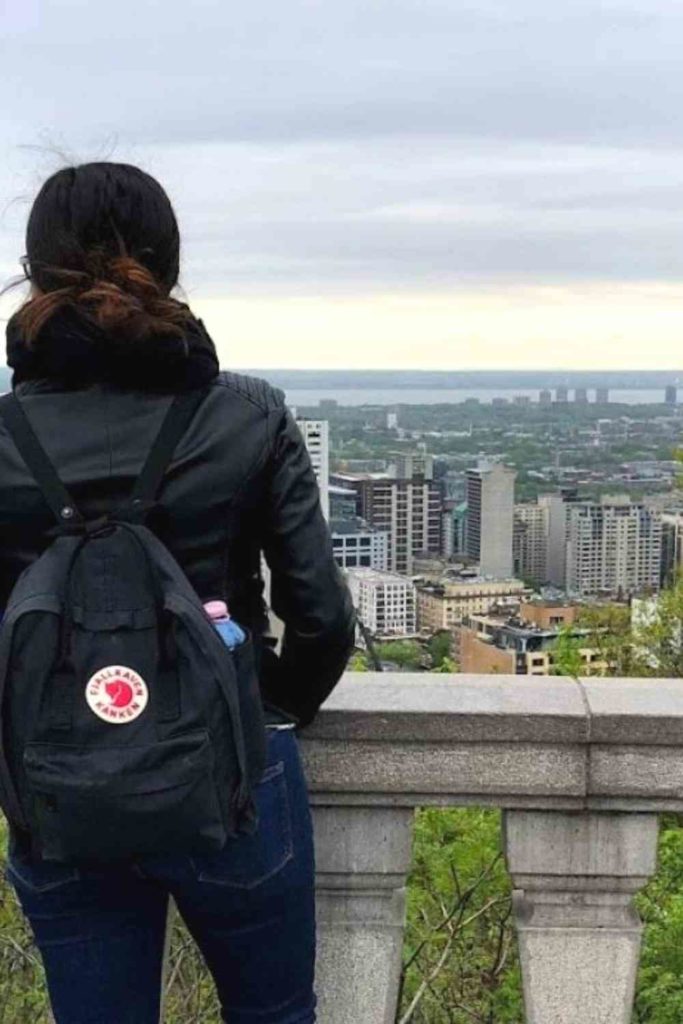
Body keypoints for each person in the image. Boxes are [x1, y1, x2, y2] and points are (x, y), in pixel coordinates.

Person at [0, 162, 355, 1024]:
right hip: (231, 776)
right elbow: (321, 615)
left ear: (35, 267)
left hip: (58, 785)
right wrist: (256, 708)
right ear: (168, 262)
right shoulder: (249, 415)